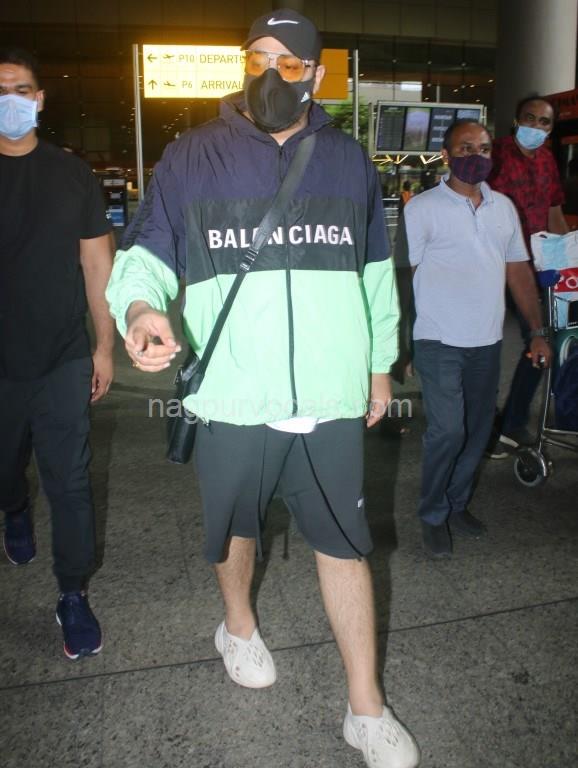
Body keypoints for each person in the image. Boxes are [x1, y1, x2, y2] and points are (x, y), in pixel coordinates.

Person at [106, 9, 420, 768]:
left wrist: (378, 366)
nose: (271, 74)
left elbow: (375, 275)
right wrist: (140, 309)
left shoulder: (348, 162)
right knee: (235, 528)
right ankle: (238, 625)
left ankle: (366, 707)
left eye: (290, 63)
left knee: (345, 545)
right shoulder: (193, 155)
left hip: (329, 394)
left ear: (317, 75)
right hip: (234, 393)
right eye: (258, 58)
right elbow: (146, 252)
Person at [0, 48, 114, 659]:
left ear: (39, 99)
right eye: (1, 90)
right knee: (6, 469)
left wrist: (104, 345)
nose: (11, 99)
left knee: (70, 482)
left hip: (64, 354)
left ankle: (73, 592)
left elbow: (97, 264)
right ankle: (13, 504)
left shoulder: (72, 174)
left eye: (21, 89)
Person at [404, 120, 551, 557]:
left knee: (477, 431)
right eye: (466, 147)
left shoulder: (503, 208)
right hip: (437, 339)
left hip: (486, 341)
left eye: (484, 148)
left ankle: (455, 504)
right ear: (446, 155)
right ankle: (433, 514)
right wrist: (403, 345)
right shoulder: (422, 208)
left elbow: (518, 271)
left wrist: (537, 331)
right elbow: (406, 278)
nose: (476, 155)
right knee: (448, 430)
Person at [486, 96, 568, 457]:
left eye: (544, 122)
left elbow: (554, 214)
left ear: (551, 129)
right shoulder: (495, 153)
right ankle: (483, 424)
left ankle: (511, 423)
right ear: (516, 120)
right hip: (491, 263)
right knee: (483, 345)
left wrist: (568, 262)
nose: (535, 126)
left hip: (532, 268)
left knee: (541, 340)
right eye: (529, 118)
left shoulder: (548, 160)